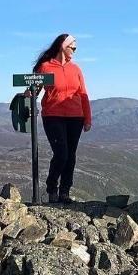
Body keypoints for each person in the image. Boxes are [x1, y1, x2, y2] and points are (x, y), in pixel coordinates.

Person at [33, 33, 92, 204]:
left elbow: (83, 94)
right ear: (62, 46)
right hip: (53, 115)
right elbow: (35, 90)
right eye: (72, 46)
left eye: (75, 47)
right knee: (62, 154)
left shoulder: (76, 69)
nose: (74, 49)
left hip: (76, 117)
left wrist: (87, 118)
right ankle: (52, 188)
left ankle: (64, 192)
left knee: (71, 156)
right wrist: (29, 94)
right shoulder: (45, 67)